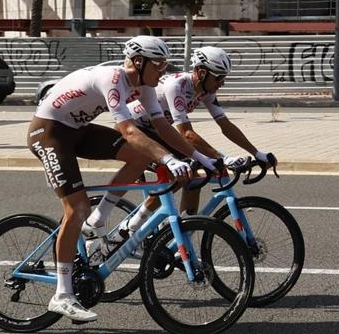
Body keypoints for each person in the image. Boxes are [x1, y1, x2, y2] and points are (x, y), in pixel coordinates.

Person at [26, 36, 215, 323]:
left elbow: (163, 127)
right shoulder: (113, 78)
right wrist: (168, 159)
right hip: (49, 132)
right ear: (138, 63)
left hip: (78, 129)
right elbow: (128, 130)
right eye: (158, 65)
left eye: (165, 65)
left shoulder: (145, 85)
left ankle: (100, 216)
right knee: (76, 209)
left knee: (139, 157)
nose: (162, 71)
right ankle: (62, 295)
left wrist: (201, 159)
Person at [106, 46, 271, 236]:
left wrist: (256, 153)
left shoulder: (206, 91)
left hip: (158, 132)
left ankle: (180, 234)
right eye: (218, 77)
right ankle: (131, 227)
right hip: (135, 133)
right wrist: (223, 157)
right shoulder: (177, 86)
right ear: (201, 73)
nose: (222, 83)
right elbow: (186, 134)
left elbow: (225, 125)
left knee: (193, 177)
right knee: (177, 172)